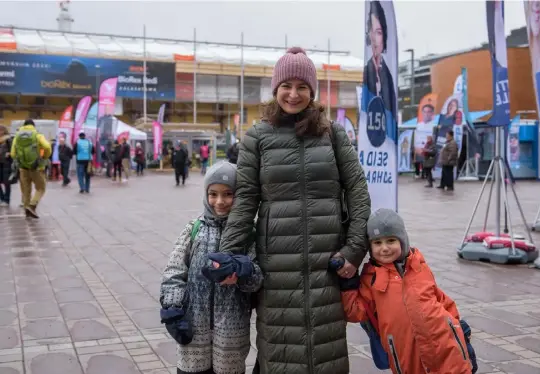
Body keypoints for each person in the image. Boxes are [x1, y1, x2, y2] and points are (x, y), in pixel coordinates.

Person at [218, 47, 371, 374]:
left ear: (312, 92)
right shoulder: (257, 137)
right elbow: (246, 198)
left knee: (325, 349)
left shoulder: (332, 134)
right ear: (275, 89)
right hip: (277, 267)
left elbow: (357, 188)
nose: (293, 93)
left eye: (302, 86)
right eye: (286, 85)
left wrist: (355, 248)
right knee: (280, 350)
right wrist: (228, 254)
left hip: (326, 263)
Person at [340, 208, 474, 374]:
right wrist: (348, 284)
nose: (384, 248)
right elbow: (356, 311)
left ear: (402, 240)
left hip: (446, 347)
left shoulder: (418, 265)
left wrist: (458, 329)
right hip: (407, 355)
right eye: (377, 243)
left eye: (391, 240)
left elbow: (440, 299)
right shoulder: (371, 278)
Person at [160, 161, 263, 374]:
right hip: (193, 330)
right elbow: (174, 271)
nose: (220, 201)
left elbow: (258, 279)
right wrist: (173, 309)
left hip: (231, 336)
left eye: (228, 194)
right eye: (213, 194)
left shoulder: (249, 234)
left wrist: (243, 273)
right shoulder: (194, 229)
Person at [10, 119, 52, 218]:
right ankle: (32, 206)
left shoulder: (17, 136)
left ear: (23, 126)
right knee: (41, 188)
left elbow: (12, 154)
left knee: (26, 190)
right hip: (36, 167)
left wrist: (20, 161)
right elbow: (47, 146)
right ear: (33, 126)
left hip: (23, 168)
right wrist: (45, 157)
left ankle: (26, 210)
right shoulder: (37, 135)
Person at [363, 0, 396, 120]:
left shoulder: (388, 77)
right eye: (371, 31)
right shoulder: (368, 72)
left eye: (378, 32)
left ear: (384, 35)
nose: (374, 38)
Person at [0, 125, 13, 207]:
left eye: (1, 130)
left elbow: (13, 150)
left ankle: (6, 200)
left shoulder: (8, 139)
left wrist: (9, 153)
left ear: (4, 130)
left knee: (6, 183)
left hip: (6, 163)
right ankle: (2, 198)